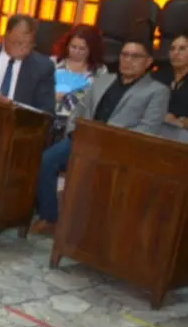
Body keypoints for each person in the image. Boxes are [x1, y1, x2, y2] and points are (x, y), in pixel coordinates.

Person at [32, 41, 169, 234]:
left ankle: (89, 228)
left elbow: (148, 129)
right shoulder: (104, 80)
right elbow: (79, 109)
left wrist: (109, 139)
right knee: (45, 160)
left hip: (119, 149)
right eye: (124, 55)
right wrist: (74, 132)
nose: (128, 60)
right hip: (83, 140)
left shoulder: (157, 91)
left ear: (148, 62)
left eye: (135, 56)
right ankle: (49, 216)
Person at [51, 24, 108, 115]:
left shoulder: (100, 71)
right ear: (67, 45)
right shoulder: (53, 63)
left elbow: (97, 100)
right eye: (73, 47)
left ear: (91, 49)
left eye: (82, 49)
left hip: (80, 118)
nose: (76, 52)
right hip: (50, 113)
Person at [152, 33, 188, 129]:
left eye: (182, 49)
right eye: (172, 49)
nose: (176, 53)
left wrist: (182, 122)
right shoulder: (157, 76)